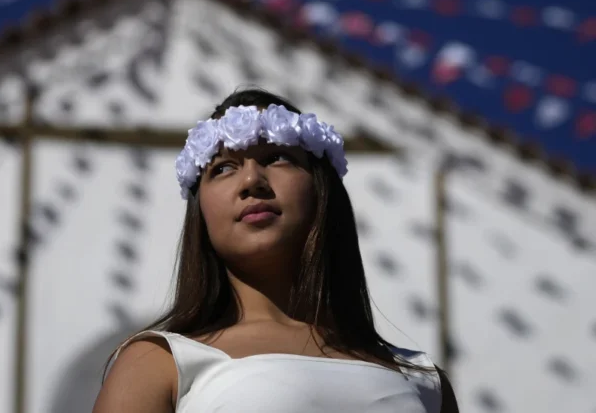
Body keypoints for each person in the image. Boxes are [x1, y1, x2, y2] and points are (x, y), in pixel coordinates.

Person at [93, 88, 458, 413]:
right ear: (200, 212)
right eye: (223, 168)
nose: (252, 181)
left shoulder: (425, 382)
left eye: (277, 157)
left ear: (321, 188)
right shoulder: (158, 363)